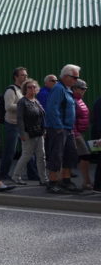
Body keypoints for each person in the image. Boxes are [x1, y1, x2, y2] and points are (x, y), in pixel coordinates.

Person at [44, 64, 81, 193]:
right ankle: (53, 183)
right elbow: (52, 109)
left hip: (68, 128)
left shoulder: (67, 89)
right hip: (58, 129)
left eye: (77, 78)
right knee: (56, 155)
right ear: (65, 76)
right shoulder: (58, 89)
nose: (76, 80)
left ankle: (66, 181)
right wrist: (59, 127)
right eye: (74, 77)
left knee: (70, 155)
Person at [0, 67, 39, 182]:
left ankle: (33, 174)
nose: (25, 77)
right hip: (12, 124)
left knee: (29, 150)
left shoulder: (24, 90)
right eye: (22, 75)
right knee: (10, 151)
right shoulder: (11, 90)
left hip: (24, 125)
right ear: (16, 77)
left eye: (26, 75)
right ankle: (3, 174)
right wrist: (24, 106)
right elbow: (8, 107)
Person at [11, 79, 48, 186]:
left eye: (34, 87)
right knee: (27, 155)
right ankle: (16, 176)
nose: (32, 89)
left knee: (41, 156)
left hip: (39, 132)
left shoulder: (36, 101)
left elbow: (42, 116)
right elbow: (20, 119)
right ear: (25, 89)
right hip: (28, 133)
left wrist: (44, 130)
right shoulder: (22, 102)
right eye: (29, 87)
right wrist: (22, 133)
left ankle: (43, 179)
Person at [72, 80, 93, 190]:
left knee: (77, 157)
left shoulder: (79, 100)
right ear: (75, 88)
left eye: (85, 89)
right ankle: (86, 182)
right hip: (75, 133)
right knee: (85, 156)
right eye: (82, 88)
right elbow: (71, 118)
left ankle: (86, 181)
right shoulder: (73, 100)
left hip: (80, 132)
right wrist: (75, 133)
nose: (84, 90)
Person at [91, 94, 101, 193]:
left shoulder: (98, 101)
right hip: (98, 136)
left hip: (96, 135)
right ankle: (97, 186)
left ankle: (97, 186)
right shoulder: (99, 102)